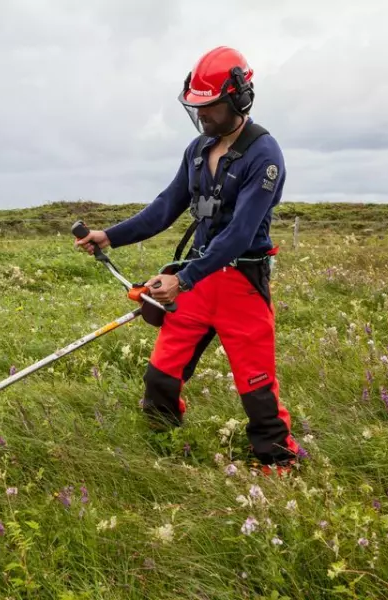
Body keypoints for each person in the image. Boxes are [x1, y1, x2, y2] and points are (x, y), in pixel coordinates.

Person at [75, 46, 299, 475]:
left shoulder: (265, 155)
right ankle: (163, 446)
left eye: (210, 106)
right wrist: (110, 236)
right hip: (196, 281)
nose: (202, 115)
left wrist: (184, 278)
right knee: (161, 376)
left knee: (256, 385)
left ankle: (278, 461)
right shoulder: (197, 150)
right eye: (196, 106)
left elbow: (240, 233)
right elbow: (165, 207)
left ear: (239, 98)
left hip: (240, 283)